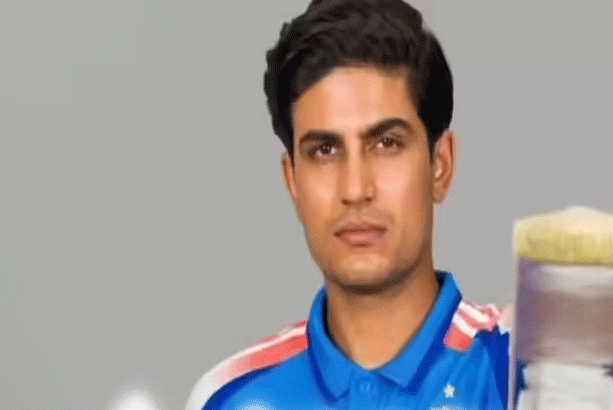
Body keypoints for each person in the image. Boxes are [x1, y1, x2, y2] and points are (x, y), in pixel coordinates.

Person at [186, 1, 512, 409]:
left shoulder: (526, 373)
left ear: (440, 165)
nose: (356, 189)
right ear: (293, 180)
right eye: (325, 150)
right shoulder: (231, 398)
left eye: (386, 143)